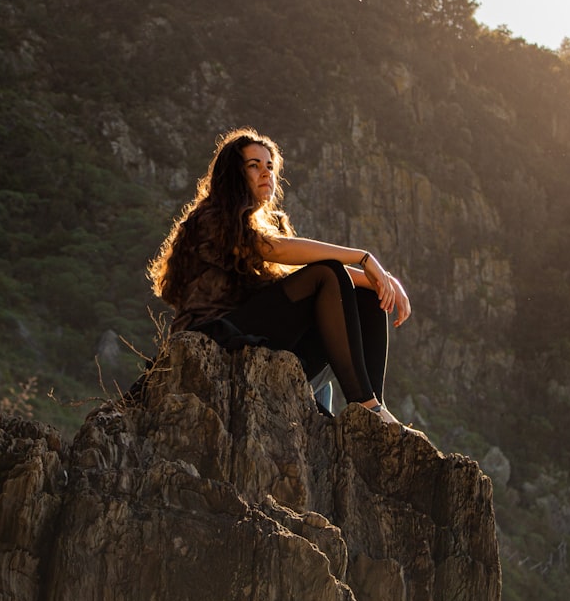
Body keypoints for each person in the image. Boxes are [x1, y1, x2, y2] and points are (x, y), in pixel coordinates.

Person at [148, 127, 410, 422]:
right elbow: (277, 251)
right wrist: (363, 258)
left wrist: (383, 281)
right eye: (254, 165)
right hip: (215, 338)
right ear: (235, 176)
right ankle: (365, 404)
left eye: (270, 166)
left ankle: (375, 408)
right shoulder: (212, 219)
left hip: (255, 334)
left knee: (362, 295)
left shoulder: (271, 223)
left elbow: (301, 276)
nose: (265, 173)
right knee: (327, 272)